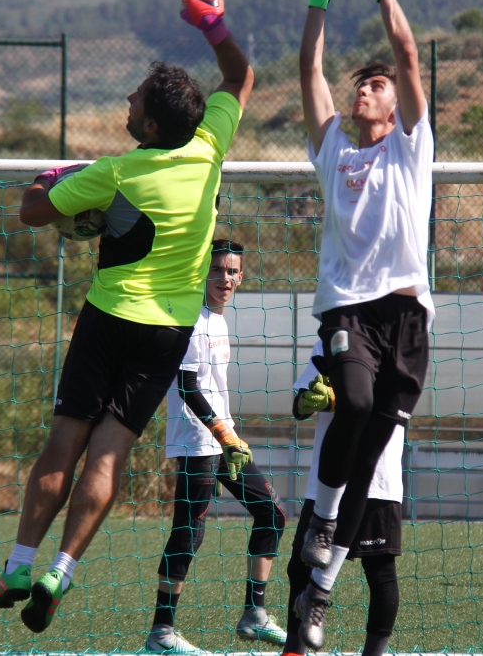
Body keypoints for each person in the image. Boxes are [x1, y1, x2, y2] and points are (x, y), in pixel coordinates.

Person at [0, 0, 254, 635]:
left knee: (64, 442)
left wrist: (49, 180)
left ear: (152, 126)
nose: (126, 105)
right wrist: (212, 25)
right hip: (167, 333)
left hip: (109, 317)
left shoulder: (115, 172)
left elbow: (32, 212)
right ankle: (62, 571)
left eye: (134, 101)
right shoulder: (210, 146)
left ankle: (21, 565)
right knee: (107, 456)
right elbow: (240, 77)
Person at [295, 0, 432, 602]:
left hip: (403, 314)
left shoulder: (409, 147)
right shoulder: (335, 154)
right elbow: (308, 72)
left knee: (376, 445)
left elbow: (407, 54)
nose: (368, 88)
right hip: (348, 306)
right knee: (348, 400)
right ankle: (319, 519)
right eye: (364, 84)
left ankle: (320, 591)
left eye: (376, 84)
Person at [147, 240, 287, 655]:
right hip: (198, 440)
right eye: (216, 271)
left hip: (224, 441)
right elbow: (187, 387)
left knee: (272, 514)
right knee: (189, 532)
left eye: (232, 271)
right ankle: (161, 633)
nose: (224, 278)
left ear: (241, 276)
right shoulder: (191, 316)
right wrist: (223, 434)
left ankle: (254, 614)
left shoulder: (220, 321)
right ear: (201, 274)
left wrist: (228, 436)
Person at [281, 341, 405, 656]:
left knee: (380, 571)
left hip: (378, 474)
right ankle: (294, 651)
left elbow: (391, 402)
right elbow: (299, 402)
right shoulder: (331, 337)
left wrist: (338, 398)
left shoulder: (399, 339)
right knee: (300, 566)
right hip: (328, 479)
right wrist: (307, 401)